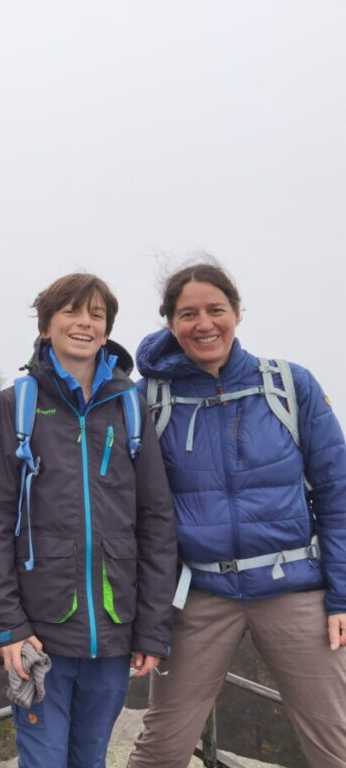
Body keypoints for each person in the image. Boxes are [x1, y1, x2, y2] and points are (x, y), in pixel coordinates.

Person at [127, 262, 346, 768]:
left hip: (293, 587)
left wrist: (340, 596)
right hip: (200, 593)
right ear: (170, 323)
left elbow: (335, 494)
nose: (204, 324)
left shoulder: (291, 385)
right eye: (188, 314)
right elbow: (133, 509)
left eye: (215, 310)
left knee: (334, 745)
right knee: (161, 749)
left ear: (237, 314)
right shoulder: (149, 399)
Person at [0, 273, 177, 768]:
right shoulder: (16, 404)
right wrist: (10, 627)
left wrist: (151, 628)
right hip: (39, 633)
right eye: (70, 311)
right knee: (43, 761)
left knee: (91, 759)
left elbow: (156, 520)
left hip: (113, 631)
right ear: (46, 326)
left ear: (107, 331)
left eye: (96, 315)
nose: (84, 323)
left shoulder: (130, 405)